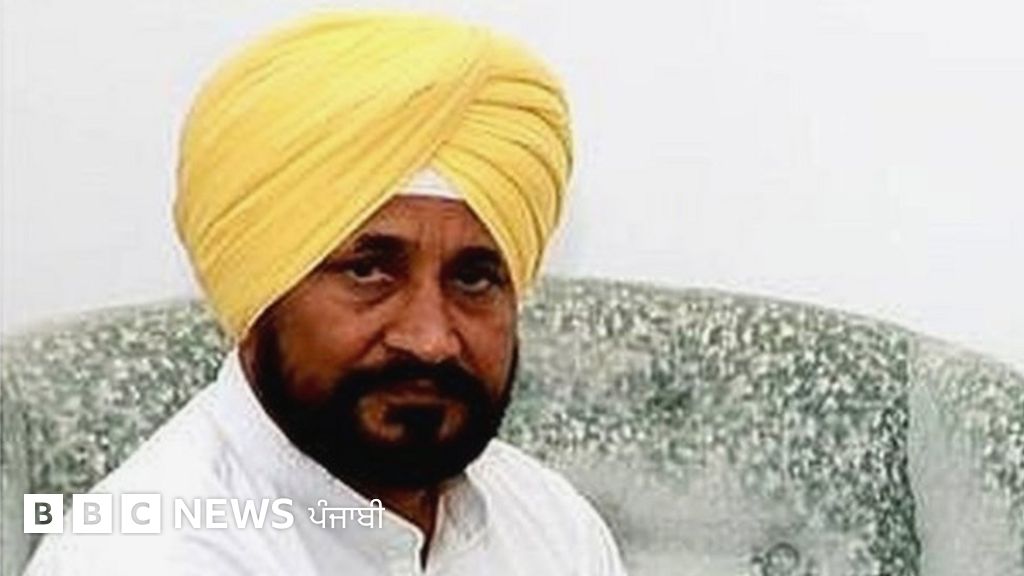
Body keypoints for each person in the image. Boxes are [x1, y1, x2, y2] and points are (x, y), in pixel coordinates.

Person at [24, 11, 628, 576]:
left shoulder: (553, 527)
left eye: (473, 279)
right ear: (259, 291)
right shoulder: (150, 557)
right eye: (368, 272)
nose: (430, 339)